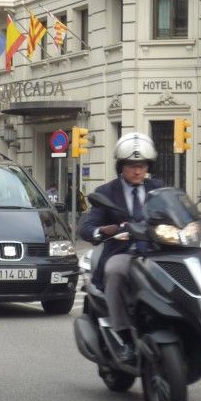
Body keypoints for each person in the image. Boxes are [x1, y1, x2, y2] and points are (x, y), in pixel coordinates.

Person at [78, 132, 163, 364]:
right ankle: (124, 337)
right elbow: (86, 227)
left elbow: (179, 210)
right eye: (131, 165)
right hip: (124, 253)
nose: (137, 170)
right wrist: (104, 230)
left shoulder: (159, 188)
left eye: (142, 165)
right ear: (121, 166)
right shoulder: (106, 193)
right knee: (115, 270)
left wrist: (199, 219)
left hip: (158, 253)